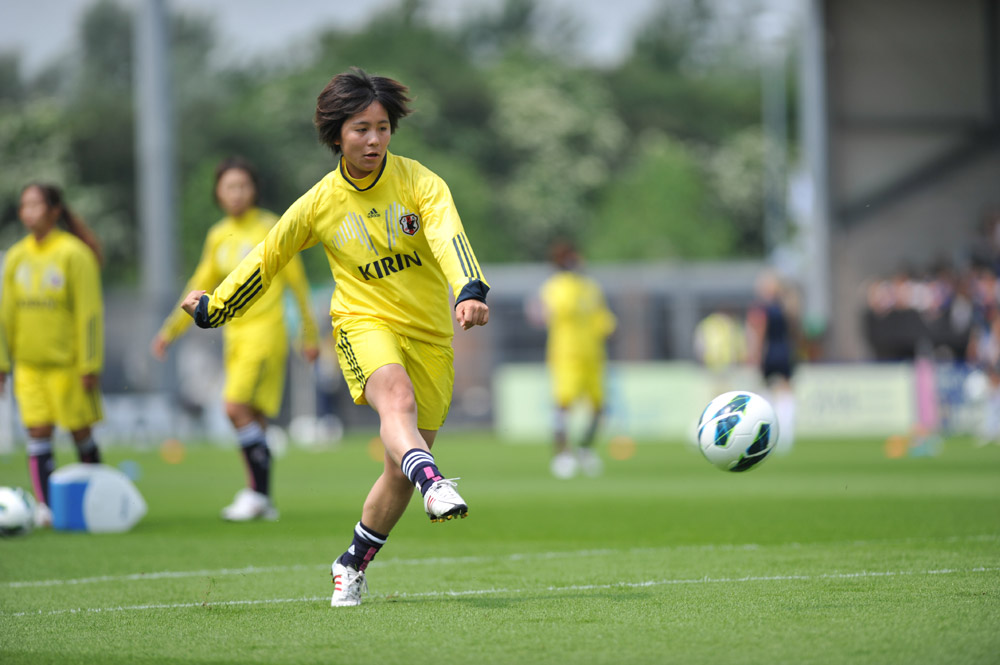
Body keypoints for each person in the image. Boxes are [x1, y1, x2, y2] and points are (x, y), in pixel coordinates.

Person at [177, 68, 490, 607]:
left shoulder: (420, 182)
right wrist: (215, 307)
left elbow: (448, 233)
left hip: (430, 334)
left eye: (383, 128)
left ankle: (351, 562)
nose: (374, 139)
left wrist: (469, 287)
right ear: (337, 134)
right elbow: (267, 257)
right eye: (361, 129)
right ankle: (436, 482)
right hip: (361, 323)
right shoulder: (319, 203)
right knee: (398, 401)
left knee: (397, 467)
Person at [151, 157, 320, 522]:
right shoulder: (217, 235)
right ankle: (262, 499)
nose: (237, 193)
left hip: (266, 333)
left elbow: (297, 283)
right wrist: (169, 330)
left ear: (254, 189)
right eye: (229, 186)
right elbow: (199, 284)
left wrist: (308, 333)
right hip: (234, 336)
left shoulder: (271, 226)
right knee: (253, 418)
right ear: (218, 192)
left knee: (234, 407)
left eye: (243, 185)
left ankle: (256, 494)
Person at [0, 183, 106, 527]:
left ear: (54, 211)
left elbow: (89, 313)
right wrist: (3, 363)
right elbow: (6, 315)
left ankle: (96, 499)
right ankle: (46, 508)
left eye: (36, 205)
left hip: (69, 366)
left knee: (80, 432)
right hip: (29, 367)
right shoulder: (16, 257)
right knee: (37, 432)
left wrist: (89, 363)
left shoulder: (74, 254)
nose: (29, 212)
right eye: (24, 206)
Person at [538, 239, 616, 479]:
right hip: (566, 355)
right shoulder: (556, 286)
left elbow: (603, 318)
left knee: (599, 407)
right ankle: (562, 453)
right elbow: (556, 312)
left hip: (593, 355)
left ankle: (584, 448)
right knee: (564, 405)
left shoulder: (591, 287)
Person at [746, 270, 799, 454]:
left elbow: (759, 332)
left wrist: (755, 355)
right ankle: (785, 434)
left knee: (765, 391)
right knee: (786, 391)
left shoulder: (761, 308)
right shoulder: (786, 306)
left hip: (769, 352)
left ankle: (766, 432)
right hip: (785, 351)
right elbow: (793, 330)